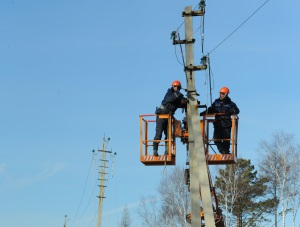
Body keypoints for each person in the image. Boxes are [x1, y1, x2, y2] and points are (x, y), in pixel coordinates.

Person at [200, 86, 239, 154]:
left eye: (223, 94)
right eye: (220, 93)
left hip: (226, 124)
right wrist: (204, 112)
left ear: (226, 94)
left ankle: (226, 152)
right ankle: (224, 152)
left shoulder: (230, 103)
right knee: (216, 139)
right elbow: (211, 109)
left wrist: (230, 111)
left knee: (226, 140)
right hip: (218, 124)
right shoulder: (216, 102)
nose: (221, 95)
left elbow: (236, 110)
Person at [153, 80, 184, 156]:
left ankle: (167, 150)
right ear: (172, 86)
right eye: (174, 86)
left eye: (177, 86)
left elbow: (182, 101)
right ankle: (155, 150)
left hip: (169, 117)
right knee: (159, 134)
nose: (175, 87)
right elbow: (169, 99)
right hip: (161, 114)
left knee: (168, 135)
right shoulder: (169, 93)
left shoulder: (179, 96)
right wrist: (178, 94)